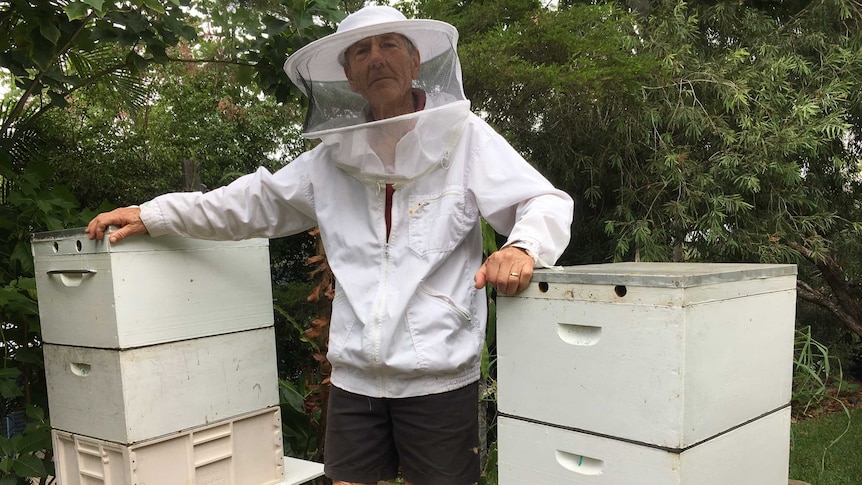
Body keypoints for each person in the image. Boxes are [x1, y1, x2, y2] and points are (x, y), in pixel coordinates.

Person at [86, 6, 573, 485]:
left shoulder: (466, 139)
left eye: (389, 45)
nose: (376, 57)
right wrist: (153, 213)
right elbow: (248, 203)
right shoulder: (331, 158)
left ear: (415, 61)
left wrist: (523, 247)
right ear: (349, 76)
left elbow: (542, 201)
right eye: (361, 50)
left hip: (438, 375)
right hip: (355, 376)